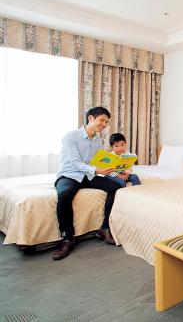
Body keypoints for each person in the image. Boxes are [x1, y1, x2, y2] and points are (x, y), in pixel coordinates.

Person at [52, 107, 122, 261]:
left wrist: (109, 166)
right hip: (69, 174)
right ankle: (67, 238)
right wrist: (96, 170)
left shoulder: (98, 140)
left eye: (106, 122)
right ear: (90, 118)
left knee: (115, 187)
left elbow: (94, 161)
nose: (104, 124)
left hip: (87, 175)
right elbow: (75, 163)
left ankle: (104, 228)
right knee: (64, 195)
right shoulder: (71, 136)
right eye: (102, 120)